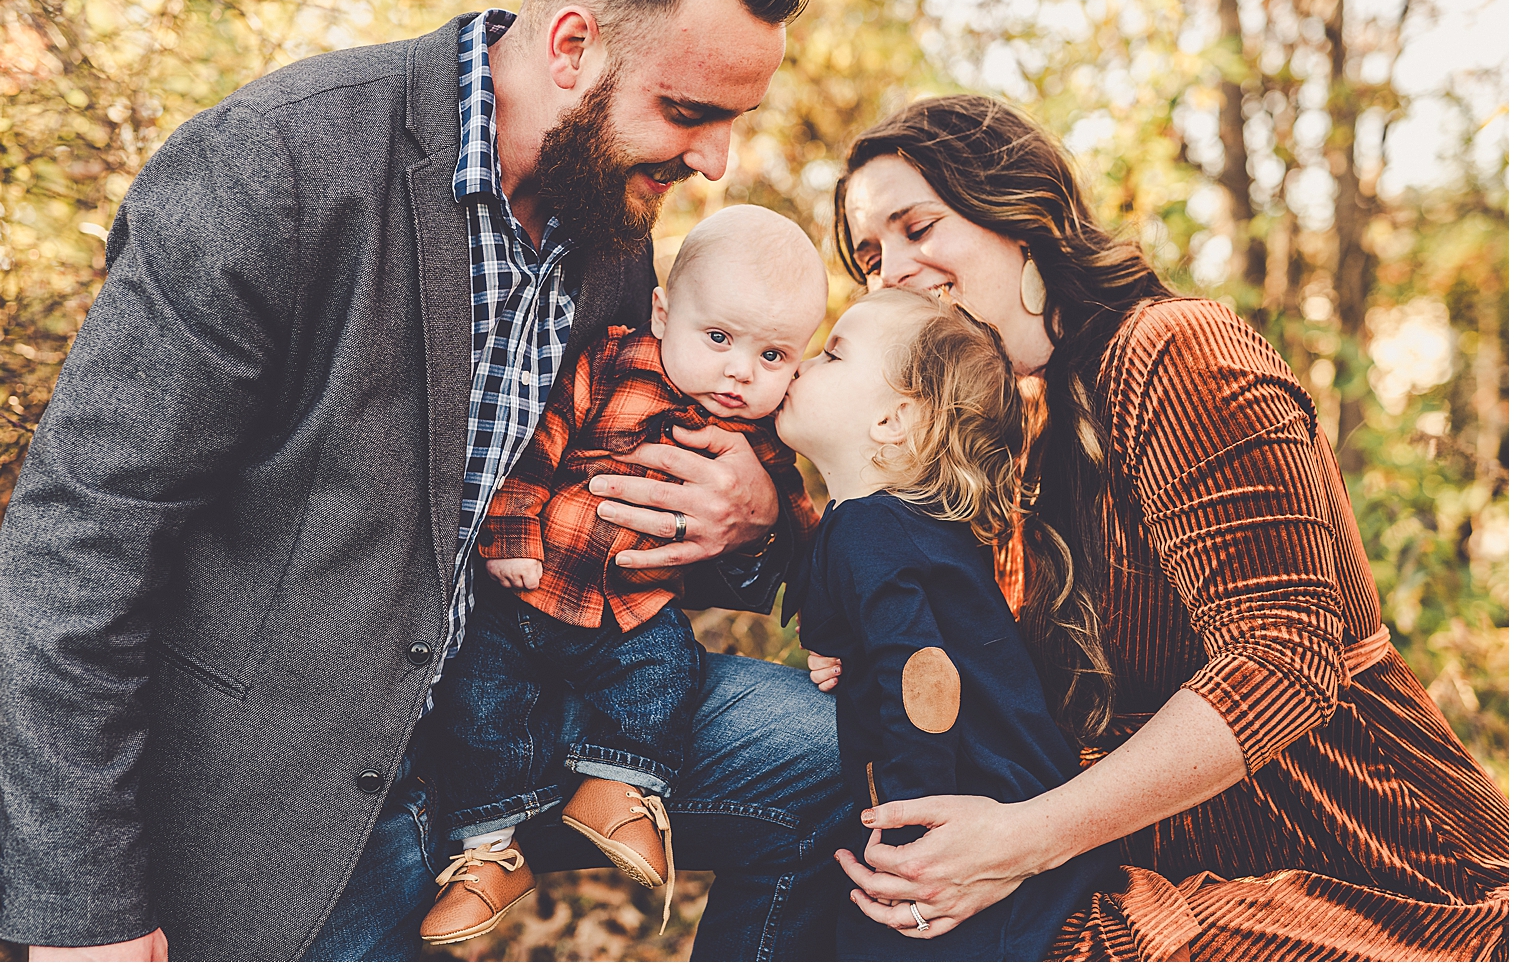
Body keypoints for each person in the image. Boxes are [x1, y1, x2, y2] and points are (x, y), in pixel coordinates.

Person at [0, 0, 854, 964]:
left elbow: (603, 507)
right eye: (686, 110)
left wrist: (754, 522)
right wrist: (84, 915)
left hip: (517, 710)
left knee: (842, 759)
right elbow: (78, 541)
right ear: (571, 45)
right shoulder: (274, 169)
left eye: (730, 119)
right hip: (282, 788)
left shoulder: (610, 223)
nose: (715, 161)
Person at [829, 95, 1510, 961]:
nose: (892, 270)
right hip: (1147, 874)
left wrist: (1025, 838)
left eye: (917, 227)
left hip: (1369, 872)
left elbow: (1282, 658)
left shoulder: (1174, 353)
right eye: (868, 257)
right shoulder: (1018, 431)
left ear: (1022, 216)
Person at [422, 208, 826, 947]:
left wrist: (769, 513)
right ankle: (488, 853)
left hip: (627, 612)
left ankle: (621, 786)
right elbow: (539, 442)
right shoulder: (612, 364)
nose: (740, 371)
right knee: (482, 701)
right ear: (664, 312)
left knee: (668, 672)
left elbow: (800, 536)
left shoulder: (760, 438)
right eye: (719, 338)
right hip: (529, 590)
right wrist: (511, 529)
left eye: (774, 357)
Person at [778, 290, 1119, 960]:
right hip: (1006, 784)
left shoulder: (868, 526)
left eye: (832, 353)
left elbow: (925, 676)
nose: (801, 364)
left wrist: (913, 836)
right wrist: (832, 644)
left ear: (892, 419)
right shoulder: (894, 526)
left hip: (968, 798)